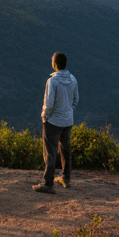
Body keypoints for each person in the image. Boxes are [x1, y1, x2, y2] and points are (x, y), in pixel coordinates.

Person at [34, 51, 79, 193]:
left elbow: (49, 104)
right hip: (68, 120)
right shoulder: (73, 79)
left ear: (54, 64)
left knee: (50, 152)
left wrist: (44, 117)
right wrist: (68, 111)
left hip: (53, 121)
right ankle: (66, 178)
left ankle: (48, 183)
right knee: (66, 149)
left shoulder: (52, 81)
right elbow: (76, 99)